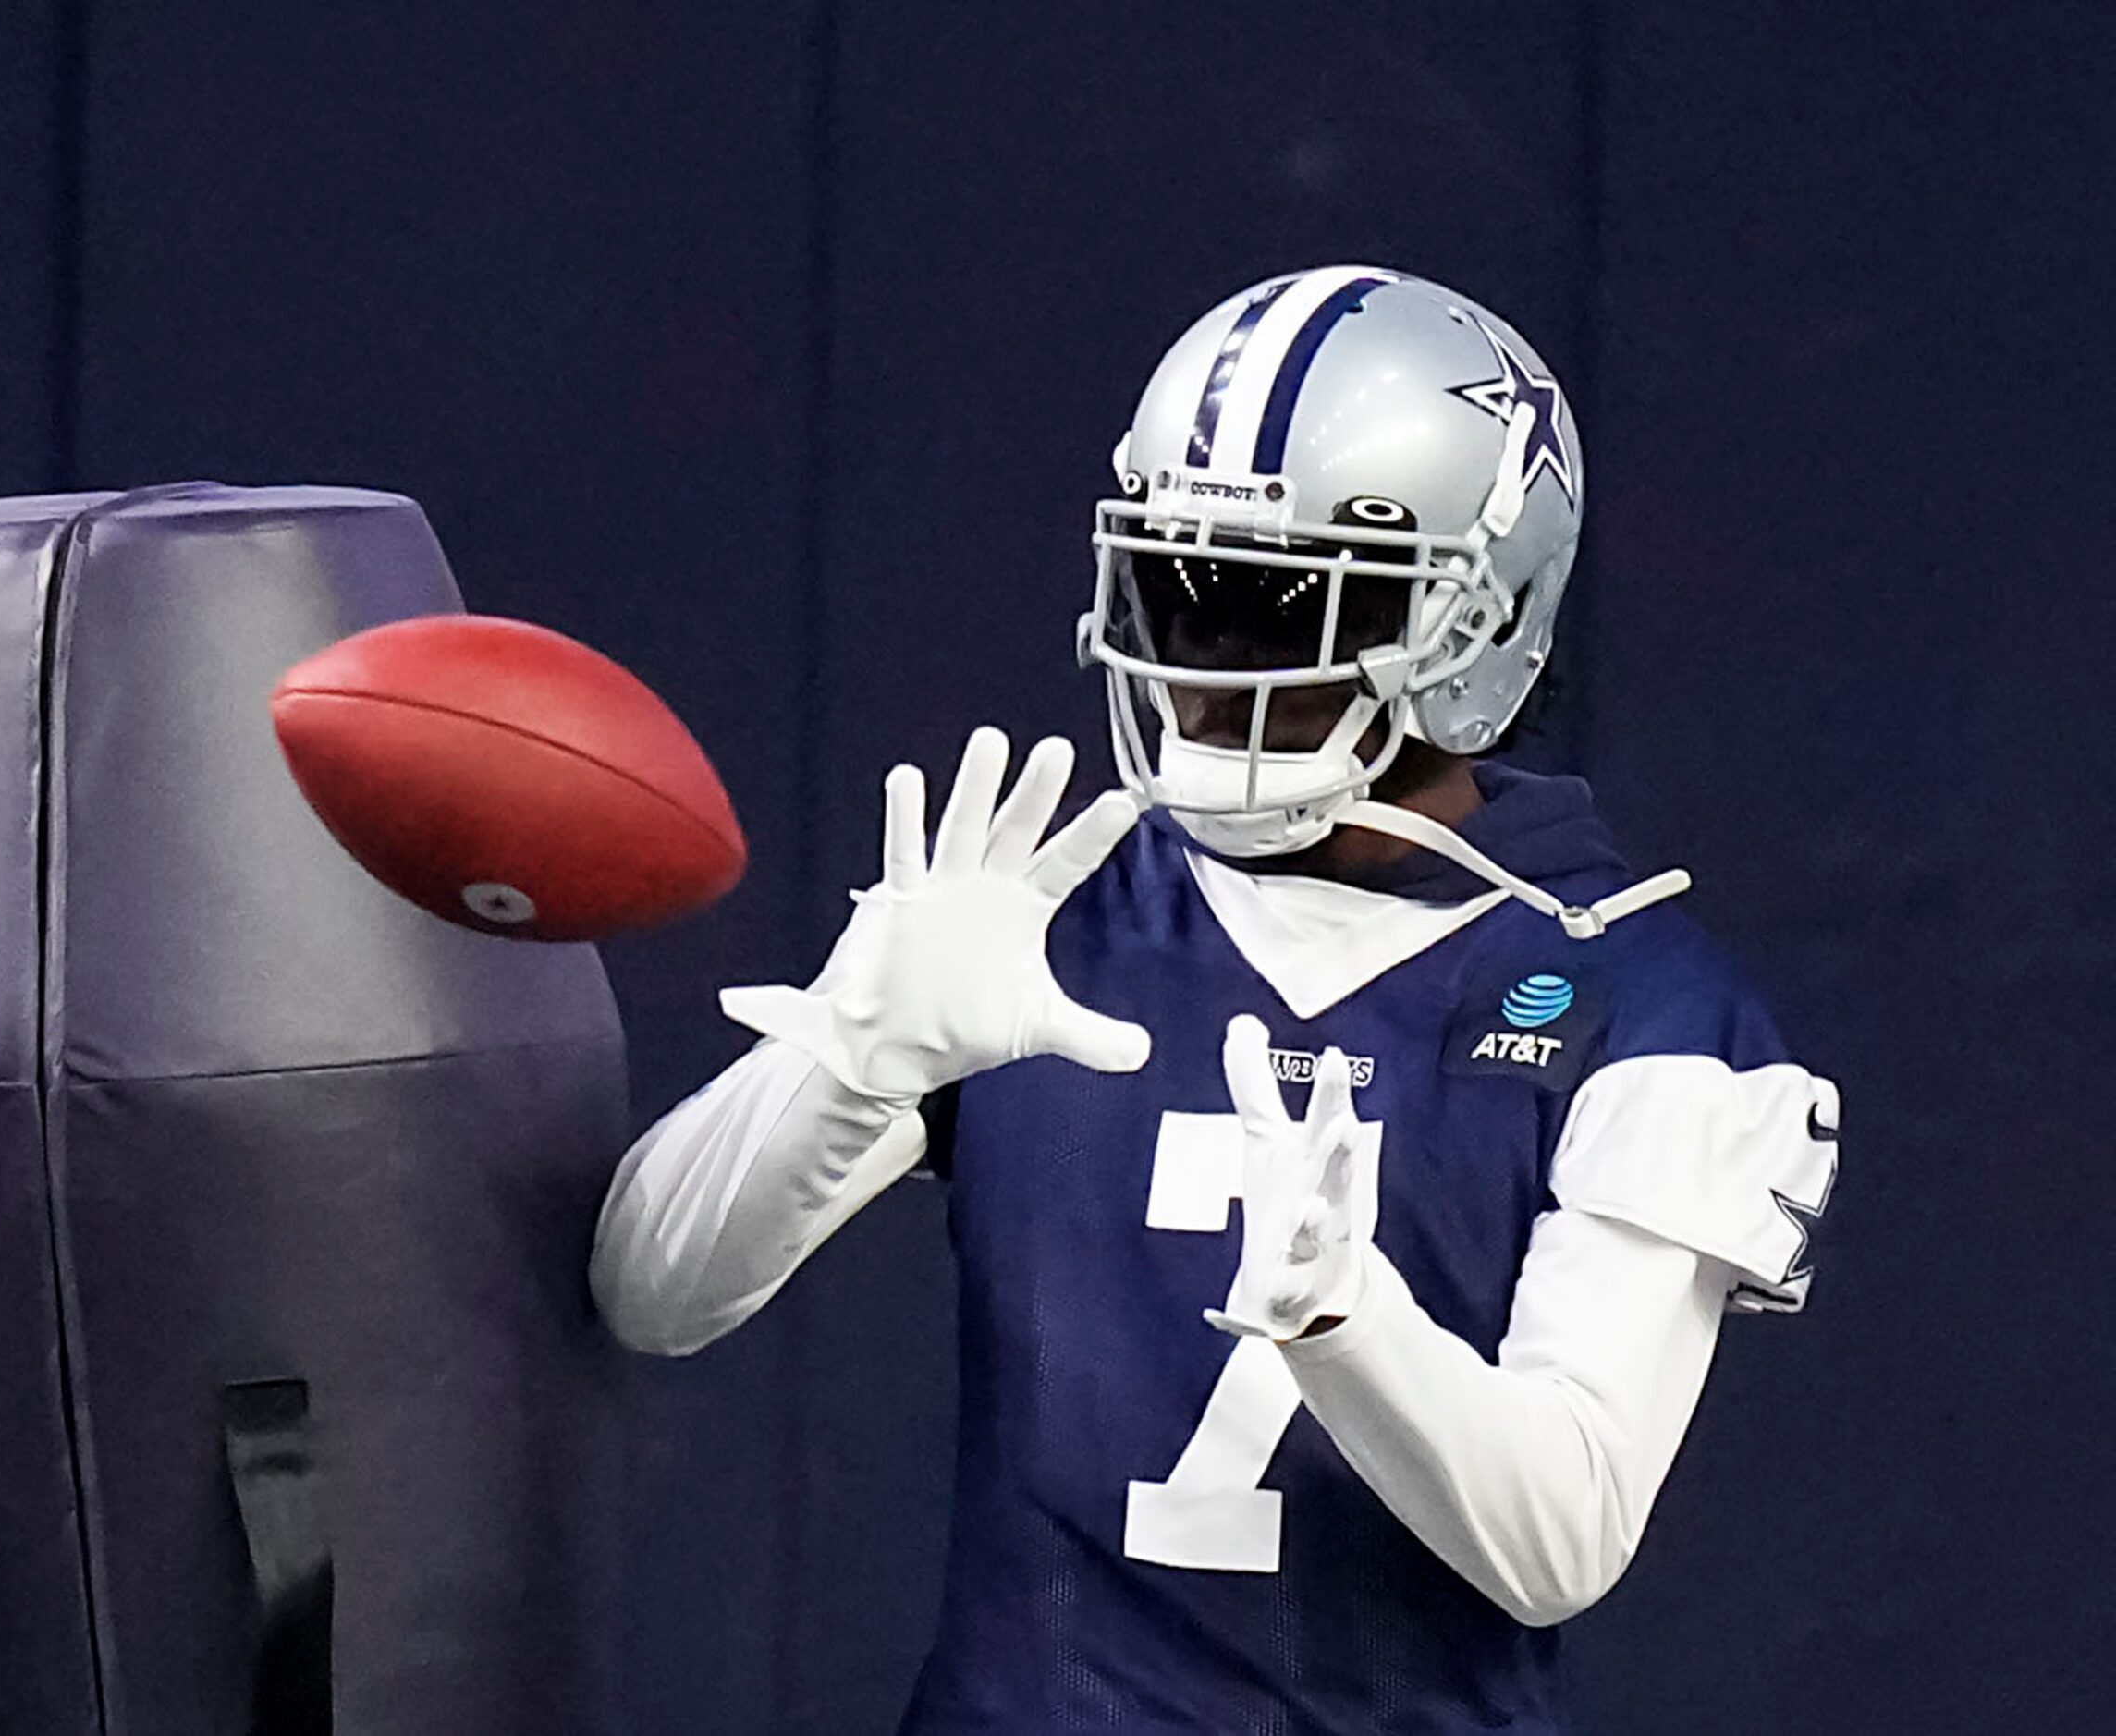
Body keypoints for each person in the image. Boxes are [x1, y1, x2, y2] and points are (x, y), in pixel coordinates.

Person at [590, 264, 1839, 1733]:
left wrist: (1344, 1317)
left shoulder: (1640, 998)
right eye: (1179, 587)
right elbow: (648, 1287)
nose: (1209, 666)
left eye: (1280, 604)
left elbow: (1559, 1536)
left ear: (1475, 626)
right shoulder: (1047, 906)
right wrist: (857, 1054)